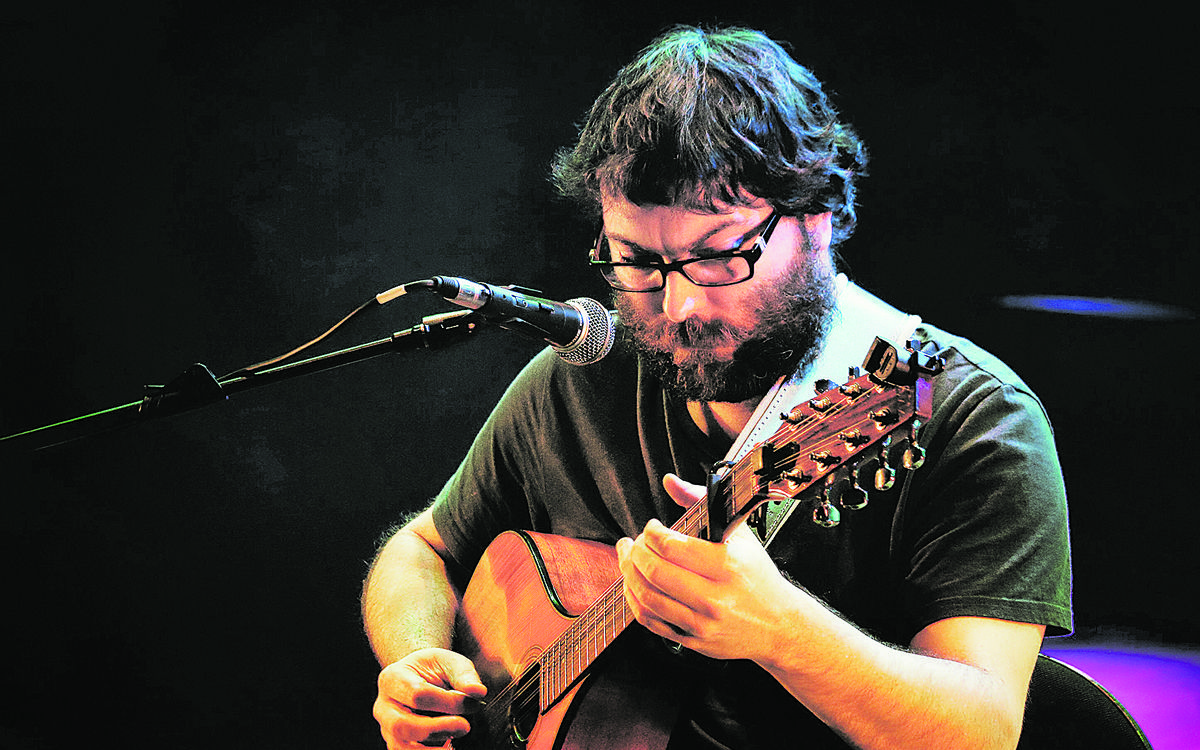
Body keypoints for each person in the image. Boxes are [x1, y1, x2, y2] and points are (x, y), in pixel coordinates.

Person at [361, 25, 1072, 750]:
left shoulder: (966, 416)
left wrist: (784, 631)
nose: (678, 307)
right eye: (636, 260)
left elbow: (982, 732)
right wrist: (416, 661)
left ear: (819, 219)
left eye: (719, 256)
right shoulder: (582, 374)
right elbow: (423, 548)